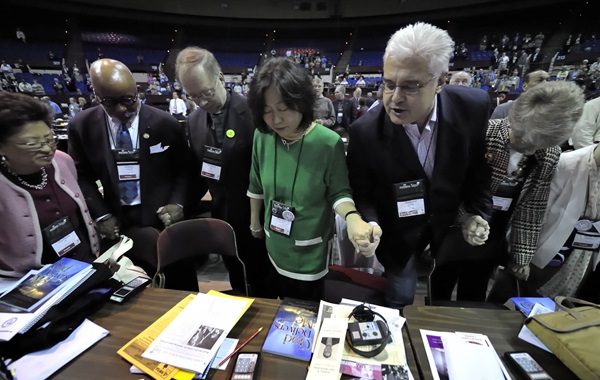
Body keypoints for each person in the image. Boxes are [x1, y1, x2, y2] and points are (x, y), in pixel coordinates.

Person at [347, 22, 493, 310]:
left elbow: (478, 169)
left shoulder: (473, 107)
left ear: (440, 81)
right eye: (388, 84)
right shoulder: (364, 132)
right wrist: (370, 223)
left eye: (410, 86)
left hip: (449, 227)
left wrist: (476, 213)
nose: (395, 98)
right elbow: (362, 192)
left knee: (445, 302)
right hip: (397, 236)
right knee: (399, 296)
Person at [431, 81, 585, 302]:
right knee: (440, 286)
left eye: (539, 145)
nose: (531, 150)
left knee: (475, 291)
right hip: (455, 225)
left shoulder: (549, 154)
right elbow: (449, 188)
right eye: (526, 141)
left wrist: (521, 257)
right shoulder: (483, 134)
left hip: (495, 234)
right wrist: (465, 217)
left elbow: (532, 209)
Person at [247, 57, 379, 301]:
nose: (275, 120)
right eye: (267, 112)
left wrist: (353, 218)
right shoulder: (262, 136)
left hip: (309, 249)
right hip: (273, 243)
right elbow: (256, 184)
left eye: (283, 109)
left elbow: (339, 192)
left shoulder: (327, 143)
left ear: (301, 102)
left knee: (303, 313)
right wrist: (255, 223)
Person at [68, 59, 191, 267]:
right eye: (109, 102)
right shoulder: (82, 126)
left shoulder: (165, 123)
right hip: (116, 222)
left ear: (138, 90)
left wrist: (177, 203)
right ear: (96, 97)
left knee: (176, 285)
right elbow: (81, 175)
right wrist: (102, 215)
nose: (121, 109)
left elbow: (184, 169)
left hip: (163, 219)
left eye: (128, 99)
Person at [175, 46, 273, 297]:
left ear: (220, 78)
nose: (203, 102)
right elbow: (199, 174)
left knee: (264, 286)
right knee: (238, 282)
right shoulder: (194, 120)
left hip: (259, 220)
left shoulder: (255, 112)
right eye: (194, 96)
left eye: (206, 93)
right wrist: (179, 204)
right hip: (224, 220)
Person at [0, 92, 99, 278]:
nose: (46, 149)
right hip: (30, 284)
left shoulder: (63, 162)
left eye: (49, 139)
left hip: (82, 267)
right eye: (32, 143)